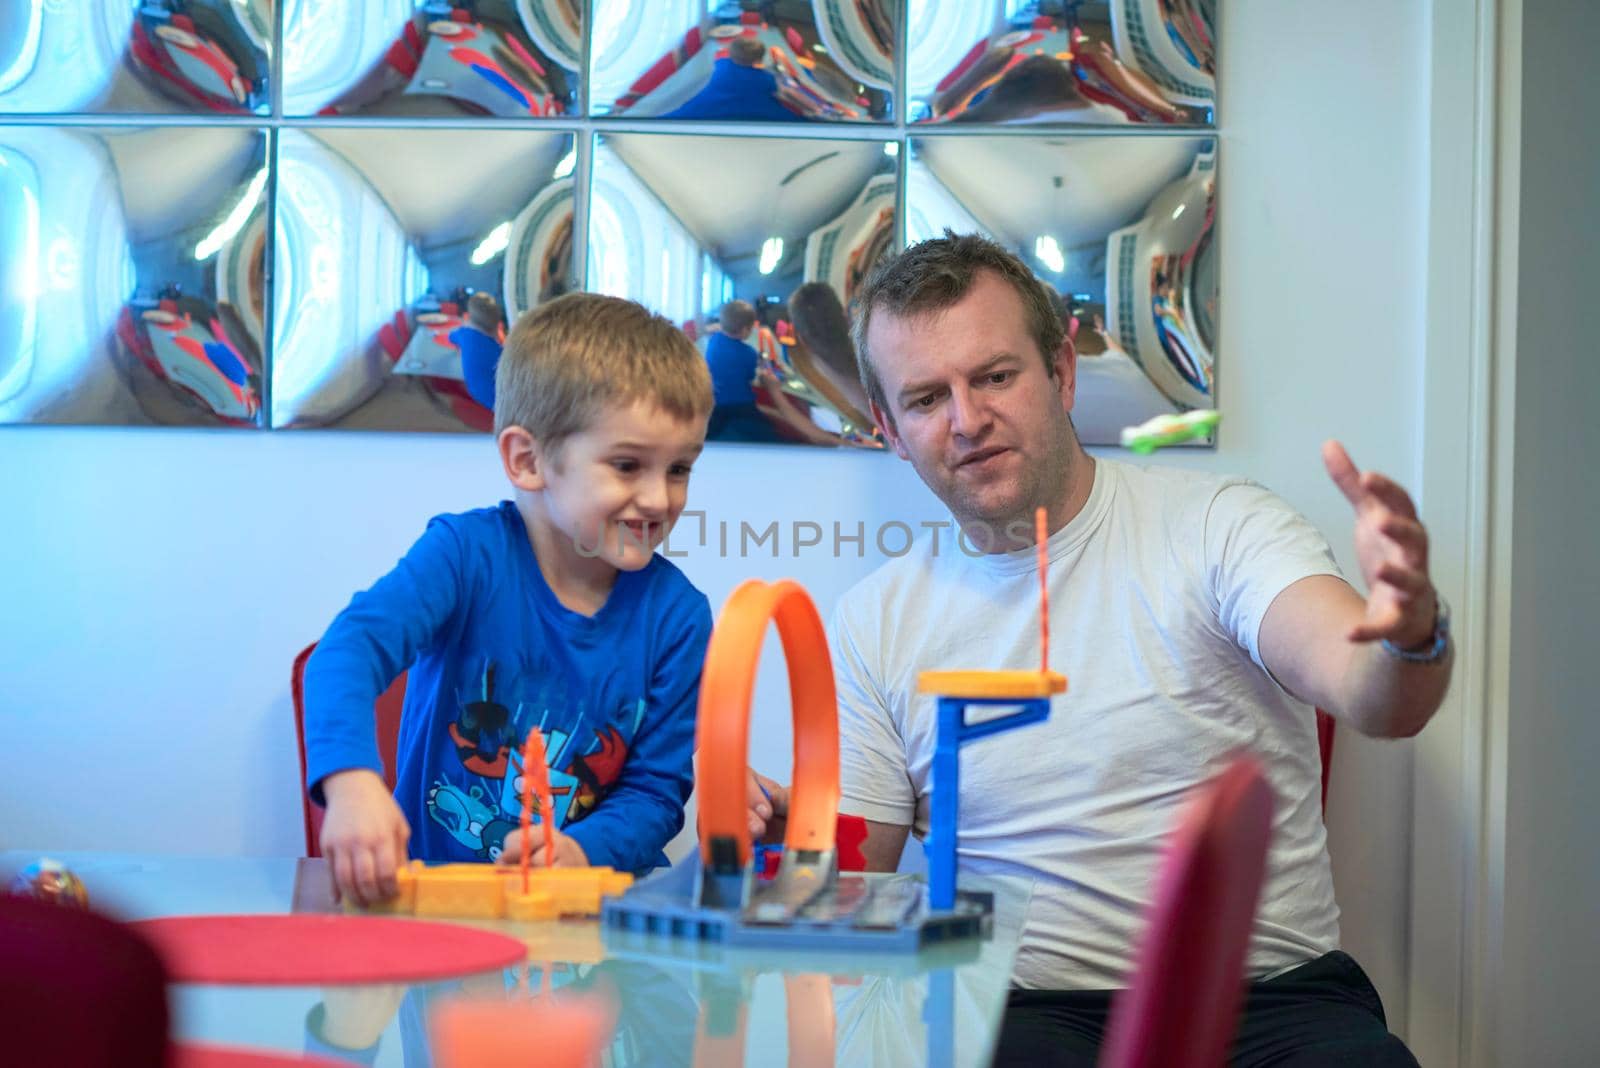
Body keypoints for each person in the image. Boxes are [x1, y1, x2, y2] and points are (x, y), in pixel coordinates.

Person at [747, 234, 1449, 1065]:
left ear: (1063, 375)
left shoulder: (1224, 526)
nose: (967, 420)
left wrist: (1407, 636)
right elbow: (853, 876)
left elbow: (1376, 696)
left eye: (996, 377)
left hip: (1271, 1003)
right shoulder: (874, 620)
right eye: (928, 398)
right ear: (892, 432)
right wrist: (786, 839)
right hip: (1026, 1010)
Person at [303, 294, 716, 906]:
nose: (660, 499)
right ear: (527, 460)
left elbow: (655, 792)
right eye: (628, 465)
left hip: (582, 934)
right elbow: (348, 652)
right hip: (434, 918)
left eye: (679, 469)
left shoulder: (680, 618)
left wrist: (581, 853)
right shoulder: (463, 556)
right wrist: (354, 783)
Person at [661, 35, 807, 122]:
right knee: (792, 120)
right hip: (749, 108)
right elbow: (778, 91)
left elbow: (719, 57)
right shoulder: (765, 77)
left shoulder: (722, 64)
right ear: (759, 59)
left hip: (711, 104)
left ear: (730, 54)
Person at [704, 299, 783, 443]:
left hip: (714, 403)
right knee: (768, 435)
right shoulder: (749, 353)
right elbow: (751, 377)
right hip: (741, 405)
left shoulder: (713, 340)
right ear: (745, 330)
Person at [454, 291, 504, 411]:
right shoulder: (499, 353)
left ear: (469, 317)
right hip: (495, 407)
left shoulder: (463, 334)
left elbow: (452, 336)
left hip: (477, 400)